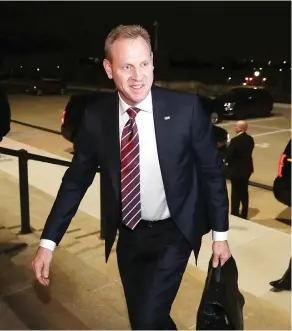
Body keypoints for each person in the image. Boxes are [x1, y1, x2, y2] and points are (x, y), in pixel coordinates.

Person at [32, 25, 231, 330]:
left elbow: (212, 172)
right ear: (109, 69)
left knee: (147, 320)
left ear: (152, 61)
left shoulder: (185, 109)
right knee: (146, 321)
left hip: (174, 233)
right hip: (129, 236)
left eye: (144, 64)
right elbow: (76, 180)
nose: (138, 76)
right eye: (126, 66)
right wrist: (48, 242)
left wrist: (220, 236)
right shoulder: (97, 116)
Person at [226, 120, 254, 219]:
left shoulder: (235, 141)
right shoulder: (250, 139)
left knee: (236, 192)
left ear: (240, 128)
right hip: (247, 169)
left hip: (237, 170)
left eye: (236, 126)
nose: (234, 128)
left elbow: (229, 155)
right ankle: (244, 212)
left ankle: (235, 213)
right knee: (244, 191)